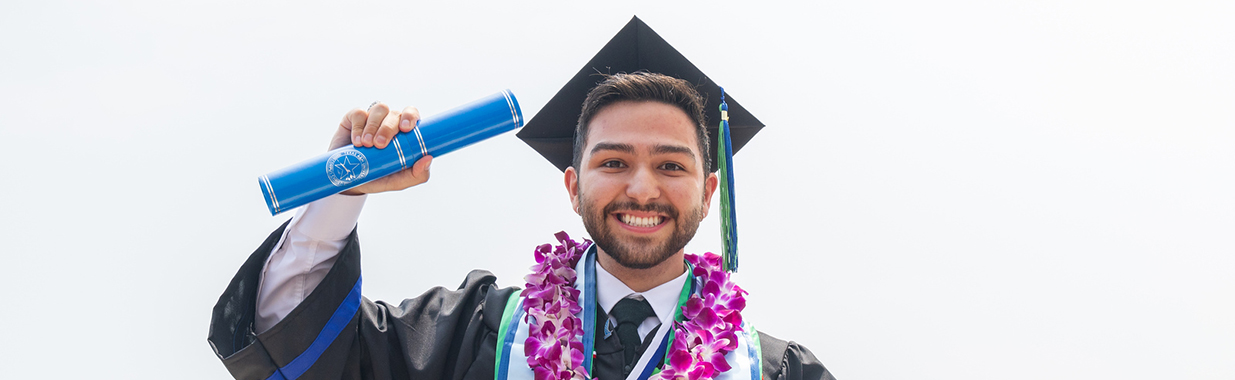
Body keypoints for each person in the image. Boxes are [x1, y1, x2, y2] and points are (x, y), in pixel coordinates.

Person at [208, 17, 836, 380]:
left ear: (707, 190)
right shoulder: (472, 332)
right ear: (572, 185)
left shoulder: (773, 371)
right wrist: (342, 192)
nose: (642, 188)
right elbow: (296, 342)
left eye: (670, 166)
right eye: (613, 162)